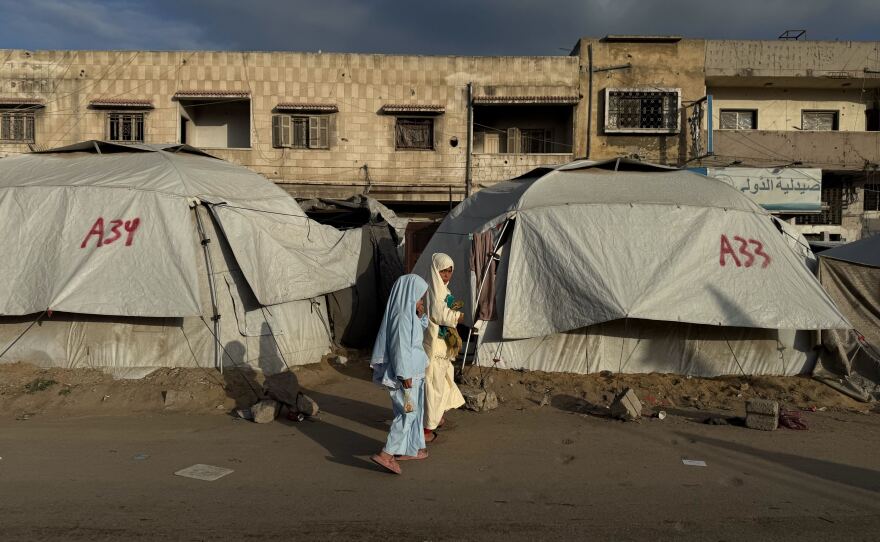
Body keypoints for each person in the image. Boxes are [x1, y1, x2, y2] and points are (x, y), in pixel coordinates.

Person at [370, 274, 431, 475]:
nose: (421, 301)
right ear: (409, 294)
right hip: (405, 377)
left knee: (416, 411)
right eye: (420, 297)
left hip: (415, 373)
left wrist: (421, 315)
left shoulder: (409, 315)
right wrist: (404, 375)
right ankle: (386, 454)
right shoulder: (401, 317)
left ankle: (413, 448)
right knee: (408, 412)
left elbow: (416, 337)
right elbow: (399, 348)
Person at [423, 253, 466, 442]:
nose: (446, 274)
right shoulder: (433, 289)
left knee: (444, 380)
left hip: (442, 346)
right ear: (435, 271)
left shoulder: (444, 291)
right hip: (434, 346)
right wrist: (456, 317)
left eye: (449, 271)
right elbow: (437, 314)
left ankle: (436, 416)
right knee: (433, 386)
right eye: (443, 271)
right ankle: (426, 429)